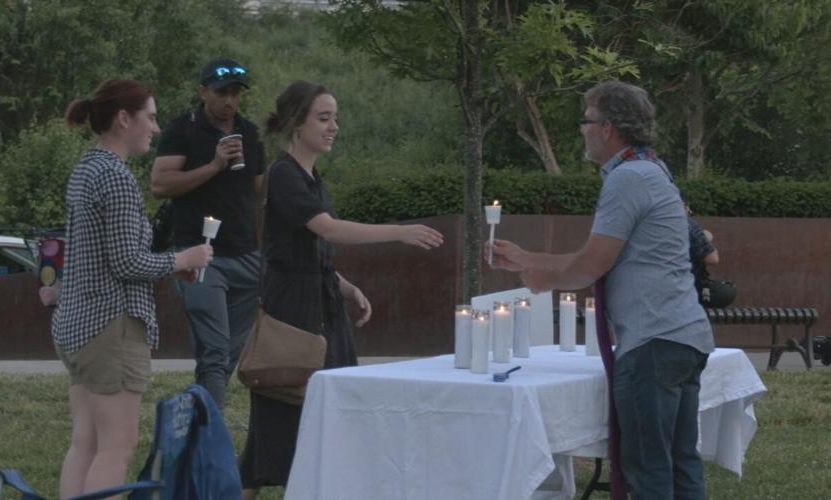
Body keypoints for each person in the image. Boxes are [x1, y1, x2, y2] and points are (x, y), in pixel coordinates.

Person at [488, 81, 714, 499]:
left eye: (586, 121)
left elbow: (590, 266)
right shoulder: (651, 170)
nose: (582, 130)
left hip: (653, 342)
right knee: (680, 466)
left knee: (648, 471)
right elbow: (602, 257)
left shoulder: (627, 179)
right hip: (682, 335)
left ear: (608, 128)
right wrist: (528, 259)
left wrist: (544, 280)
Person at [240, 80, 444, 499]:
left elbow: (307, 250)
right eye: (324, 117)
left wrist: (347, 287)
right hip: (294, 313)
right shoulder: (283, 175)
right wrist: (399, 232)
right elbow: (327, 230)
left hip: (322, 305)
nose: (333, 127)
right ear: (298, 123)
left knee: (329, 411)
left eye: (336, 118)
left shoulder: (311, 177)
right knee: (282, 408)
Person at [53, 79, 213, 498]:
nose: (156, 129)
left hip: (75, 326)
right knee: (117, 448)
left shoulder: (85, 169)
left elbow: (108, 257)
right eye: (151, 117)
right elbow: (127, 263)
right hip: (112, 328)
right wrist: (183, 259)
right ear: (124, 119)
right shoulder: (118, 179)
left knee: (84, 443)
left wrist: (167, 267)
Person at [150, 58, 266, 409]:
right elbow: (159, 184)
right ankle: (211, 439)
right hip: (201, 255)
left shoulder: (248, 132)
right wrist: (215, 166)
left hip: (247, 255)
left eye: (235, 93)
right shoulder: (182, 129)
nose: (229, 100)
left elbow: (260, 191)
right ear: (203, 92)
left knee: (224, 357)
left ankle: (196, 420)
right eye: (221, 92)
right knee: (215, 353)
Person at [680, 191, 736, 308]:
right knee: (724, 292)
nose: (690, 212)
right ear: (684, 206)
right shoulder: (687, 224)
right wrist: (705, 237)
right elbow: (713, 258)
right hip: (687, 287)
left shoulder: (651, 224)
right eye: (688, 208)